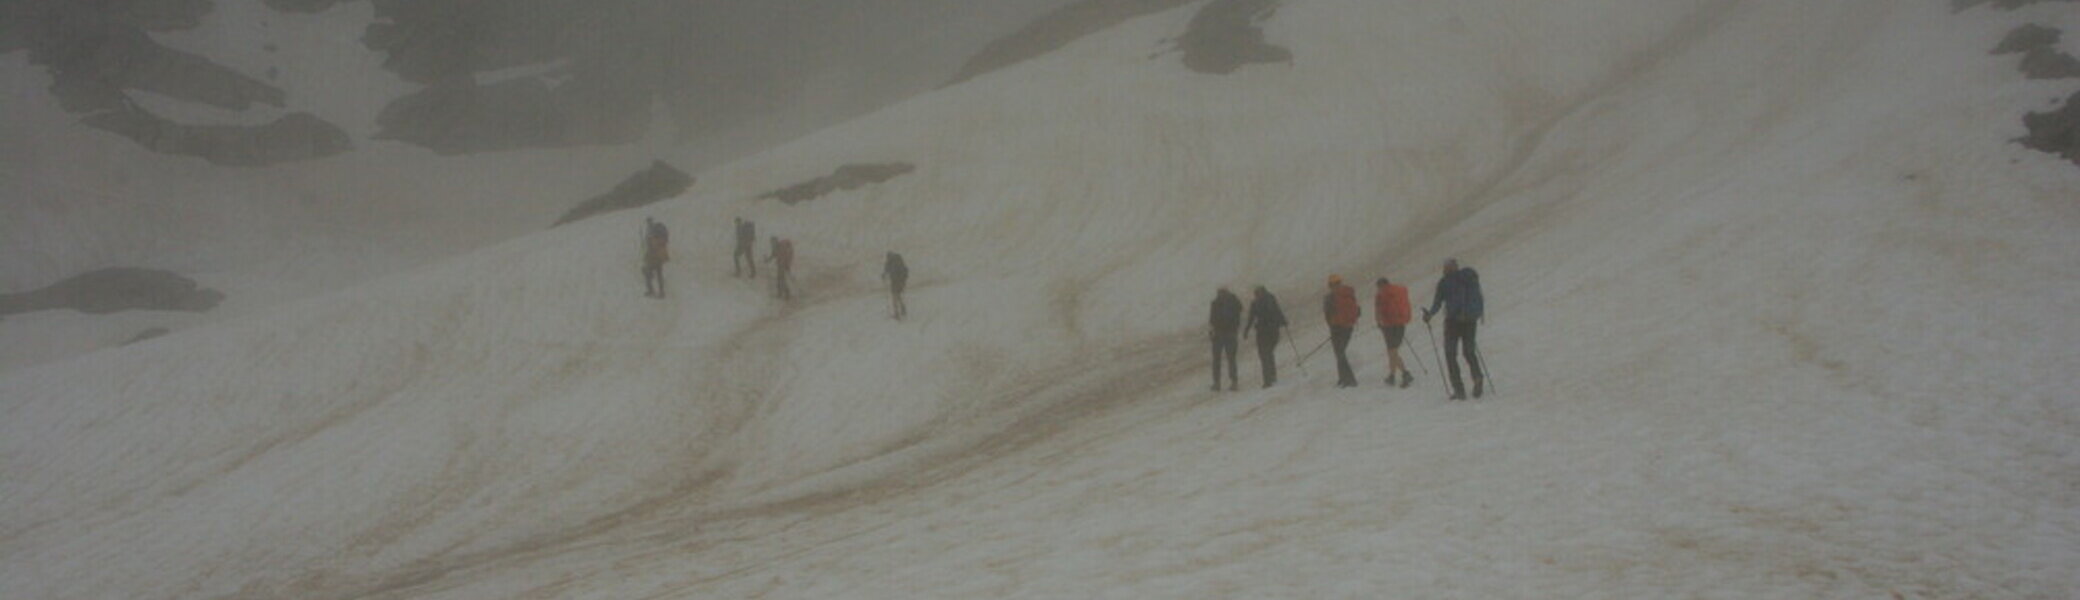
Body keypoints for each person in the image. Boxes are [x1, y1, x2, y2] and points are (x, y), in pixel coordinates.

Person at [1423, 259, 1485, 399]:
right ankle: (1477, 378)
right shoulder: (1468, 278)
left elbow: (1437, 303)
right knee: (1469, 351)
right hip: (1470, 320)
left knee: (1450, 354)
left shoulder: (1444, 283)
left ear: (1447, 269)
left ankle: (1459, 389)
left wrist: (1429, 314)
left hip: (1453, 322)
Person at [1241, 285, 1287, 388]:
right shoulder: (1269, 299)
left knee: (1264, 354)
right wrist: (1283, 321)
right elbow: (1277, 311)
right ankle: (1271, 376)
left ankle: (1268, 379)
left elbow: (1251, 318)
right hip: (1271, 331)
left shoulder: (1258, 303)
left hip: (1264, 332)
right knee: (1267, 354)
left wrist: (1246, 331)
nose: (1257, 295)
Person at [1322, 275, 1361, 388]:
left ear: (1330, 285)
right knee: (1341, 353)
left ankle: (1349, 380)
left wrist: (1332, 326)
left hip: (1337, 328)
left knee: (1339, 353)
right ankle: (1343, 377)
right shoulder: (1349, 293)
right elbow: (1357, 311)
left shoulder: (1329, 297)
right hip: (1349, 327)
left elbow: (1327, 315)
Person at [1375, 277, 1414, 388]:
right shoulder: (1399, 290)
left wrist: (1379, 322)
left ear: (1380, 285)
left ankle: (1405, 373)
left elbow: (1378, 310)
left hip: (1389, 325)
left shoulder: (1381, 295)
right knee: (1392, 351)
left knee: (1392, 351)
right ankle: (1392, 375)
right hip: (1401, 323)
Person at [1208, 286, 1244, 391]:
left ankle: (1218, 383)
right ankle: (1233, 382)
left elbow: (1212, 319)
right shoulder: (1232, 302)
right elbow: (1240, 309)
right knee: (1230, 359)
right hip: (1229, 333)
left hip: (1220, 334)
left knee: (1218, 360)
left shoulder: (1217, 303)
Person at [642, 217, 670, 298]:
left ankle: (653, 291)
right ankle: (660, 292)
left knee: (650, 272)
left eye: (648, 222)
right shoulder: (655, 231)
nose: (648, 223)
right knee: (658, 274)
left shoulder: (652, 232)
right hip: (659, 256)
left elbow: (651, 245)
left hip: (654, 256)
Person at [882, 251, 909, 320]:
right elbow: (905, 270)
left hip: (894, 282)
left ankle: (897, 313)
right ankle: (902, 308)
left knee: (894, 296)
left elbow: (885, 271)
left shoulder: (889, 262)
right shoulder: (899, 261)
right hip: (901, 282)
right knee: (898, 295)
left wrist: (883, 276)